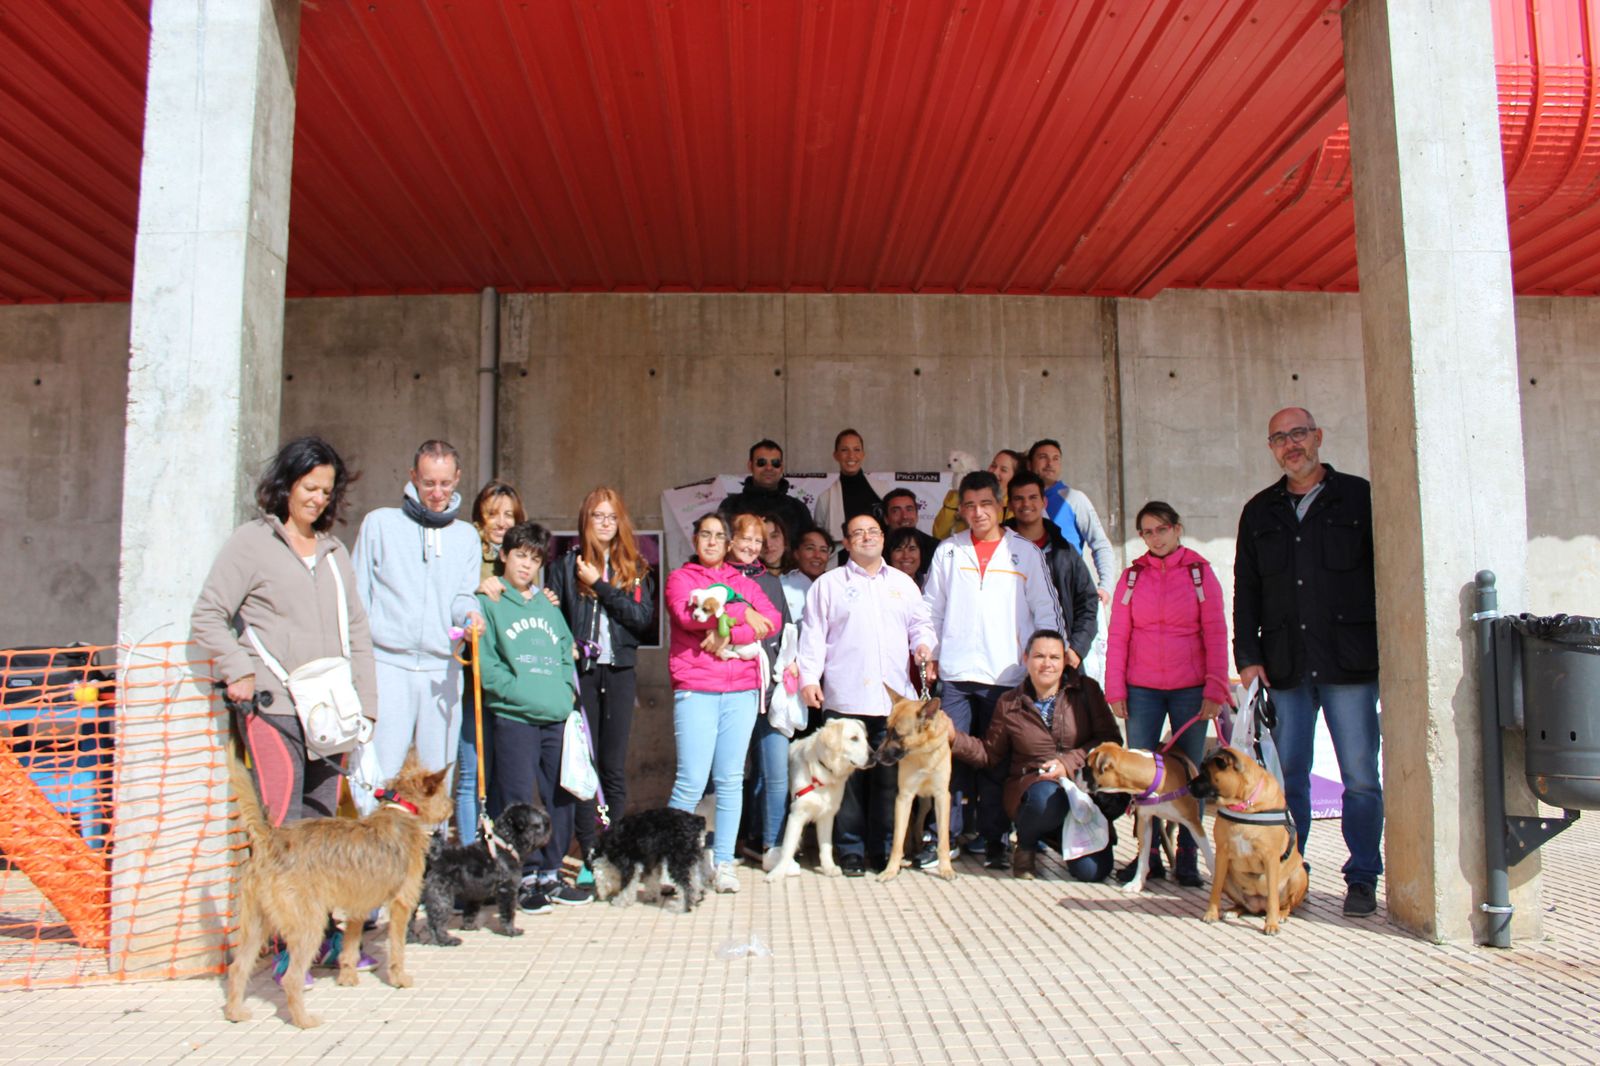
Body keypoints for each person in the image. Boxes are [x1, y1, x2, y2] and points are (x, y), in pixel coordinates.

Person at [191, 435, 380, 974]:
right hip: (275, 710)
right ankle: (275, 947)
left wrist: (367, 706)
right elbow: (208, 616)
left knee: (321, 833)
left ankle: (311, 938)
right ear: (287, 486)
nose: (318, 499)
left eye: (327, 491)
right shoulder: (251, 544)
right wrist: (239, 670)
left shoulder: (335, 551)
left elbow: (358, 634)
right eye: (309, 487)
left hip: (332, 716)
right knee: (281, 830)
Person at [1233, 407, 1382, 918]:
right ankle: (1292, 872)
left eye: (1298, 434)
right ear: (1271, 448)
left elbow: (1385, 577)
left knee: (1360, 775)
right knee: (1289, 776)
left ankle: (1362, 875)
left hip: (1350, 663)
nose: (1290, 445)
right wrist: (1247, 657)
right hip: (1285, 666)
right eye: (1279, 438)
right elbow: (1246, 590)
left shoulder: (1360, 497)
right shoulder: (1259, 511)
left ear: (1318, 437)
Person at [922, 470, 1062, 868]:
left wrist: (1048, 658)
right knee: (948, 759)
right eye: (969, 505)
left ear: (1000, 505)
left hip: (1006, 676)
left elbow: (1047, 610)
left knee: (997, 764)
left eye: (986, 504)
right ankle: (943, 838)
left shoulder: (1026, 552)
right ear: (961, 508)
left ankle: (995, 840)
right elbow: (931, 609)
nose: (977, 512)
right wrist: (930, 653)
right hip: (956, 675)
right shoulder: (949, 551)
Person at [796, 511, 936, 875]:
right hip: (845, 699)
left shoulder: (903, 584)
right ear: (847, 543)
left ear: (882, 538)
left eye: (873, 532)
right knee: (849, 784)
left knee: (889, 781)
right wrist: (809, 679)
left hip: (894, 705)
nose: (867, 537)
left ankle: (885, 849)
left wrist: (924, 645)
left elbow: (921, 624)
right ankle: (851, 850)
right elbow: (812, 636)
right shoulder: (828, 584)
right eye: (858, 533)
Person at [1104, 501, 1230, 888]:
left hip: (1189, 689)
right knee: (1142, 776)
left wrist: (1216, 688)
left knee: (1189, 773)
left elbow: (1215, 632)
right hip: (1142, 689)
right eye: (1147, 531)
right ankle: (1149, 856)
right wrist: (1115, 688)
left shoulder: (1199, 573)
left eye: (1161, 529)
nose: (1155, 538)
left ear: (1177, 529)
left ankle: (1189, 856)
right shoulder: (1131, 578)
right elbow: (1119, 636)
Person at [352, 440, 482, 789]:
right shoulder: (379, 524)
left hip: (443, 668)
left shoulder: (467, 536)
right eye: (428, 483)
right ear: (413, 477)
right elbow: (358, 600)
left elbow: (462, 596)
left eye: (444, 483)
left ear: (457, 479)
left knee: (436, 776)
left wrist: (470, 615)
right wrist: (357, 667)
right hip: (387, 663)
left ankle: (430, 843)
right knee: (377, 770)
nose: (436, 492)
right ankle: (372, 839)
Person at [664, 513, 782, 893]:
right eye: (706, 535)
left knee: (731, 780)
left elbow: (773, 621)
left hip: (742, 690)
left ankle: (724, 862)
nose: (712, 542)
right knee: (691, 781)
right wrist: (737, 611)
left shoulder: (741, 580)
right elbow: (689, 614)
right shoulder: (680, 578)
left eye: (719, 536)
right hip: (697, 687)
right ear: (695, 539)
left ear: (728, 543)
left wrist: (728, 629)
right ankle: (674, 865)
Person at [474, 521, 589, 912]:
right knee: (518, 798)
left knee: (561, 795)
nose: (526, 565)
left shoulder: (545, 603)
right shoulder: (489, 601)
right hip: (514, 717)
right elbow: (486, 665)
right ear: (503, 555)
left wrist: (563, 692)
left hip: (555, 714)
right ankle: (523, 877)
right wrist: (517, 690)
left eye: (534, 558)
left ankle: (551, 874)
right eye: (520, 555)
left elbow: (564, 650)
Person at [949, 630, 1123, 880]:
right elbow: (989, 754)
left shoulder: (1087, 691)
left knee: (1093, 872)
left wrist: (1067, 763)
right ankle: (1027, 844)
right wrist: (953, 737)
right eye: (1039, 656)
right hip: (1031, 791)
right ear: (1026, 658)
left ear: (1065, 661)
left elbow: (1110, 740)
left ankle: (1060, 837)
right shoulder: (1009, 702)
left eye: (1054, 657)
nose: (1047, 663)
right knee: (1046, 796)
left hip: (1082, 793)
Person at [547, 487, 658, 868]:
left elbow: (641, 619)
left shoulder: (637, 568)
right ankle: (589, 848)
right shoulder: (565, 566)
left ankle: (613, 847)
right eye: (598, 516)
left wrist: (600, 584)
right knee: (583, 764)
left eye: (612, 517)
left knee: (613, 764)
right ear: (586, 521)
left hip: (621, 672)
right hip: (584, 676)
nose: (606, 523)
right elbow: (555, 621)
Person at [456, 479, 526, 845]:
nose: (501, 522)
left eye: (509, 515)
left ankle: (501, 852)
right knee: (472, 772)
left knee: (504, 774)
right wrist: (476, 588)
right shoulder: (466, 556)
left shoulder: (520, 560)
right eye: (493, 514)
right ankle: (470, 853)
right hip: (473, 680)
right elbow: (452, 597)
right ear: (479, 518)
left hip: (510, 682)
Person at [1005, 471, 1098, 672]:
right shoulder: (998, 549)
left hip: (1058, 660)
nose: (1026, 504)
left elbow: (1088, 603)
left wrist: (1076, 648)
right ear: (1010, 505)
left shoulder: (1064, 551)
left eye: (1032, 497)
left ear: (1044, 502)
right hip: (1007, 664)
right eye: (1018, 499)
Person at [1026, 439, 1117, 599]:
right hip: (1028, 592)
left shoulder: (1075, 499)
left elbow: (1101, 544)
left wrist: (1105, 587)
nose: (1050, 463)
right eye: (1043, 457)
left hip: (1068, 593)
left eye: (1056, 458)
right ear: (1029, 464)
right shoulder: (1018, 502)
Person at [718, 439, 815, 545]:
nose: (769, 468)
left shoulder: (798, 508)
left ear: (781, 467)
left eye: (775, 463)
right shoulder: (731, 505)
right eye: (761, 463)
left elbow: (807, 549)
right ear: (750, 466)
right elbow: (721, 544)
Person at [813, 429, 894, 548]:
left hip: (881, 560)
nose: (851, 456)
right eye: (844, 450)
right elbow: (820, 541)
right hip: (844, 562)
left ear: (863, 454)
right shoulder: (825, 499)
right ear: (836, 455)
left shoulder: (884, 489)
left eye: (856, 450)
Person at [933, 449, 1023, 539]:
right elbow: (938, 534)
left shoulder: (1015, 506)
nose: (995, 472)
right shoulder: (961, 496)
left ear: (1014, 477)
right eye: (993, 465)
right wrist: (958, 493)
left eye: (1003, 470)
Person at [882, 488, 937, 582]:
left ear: (917, 514)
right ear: (886, 518)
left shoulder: (934, 547)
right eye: (896, 511)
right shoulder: (875, 549)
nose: (904, 516)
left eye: (909, 509)